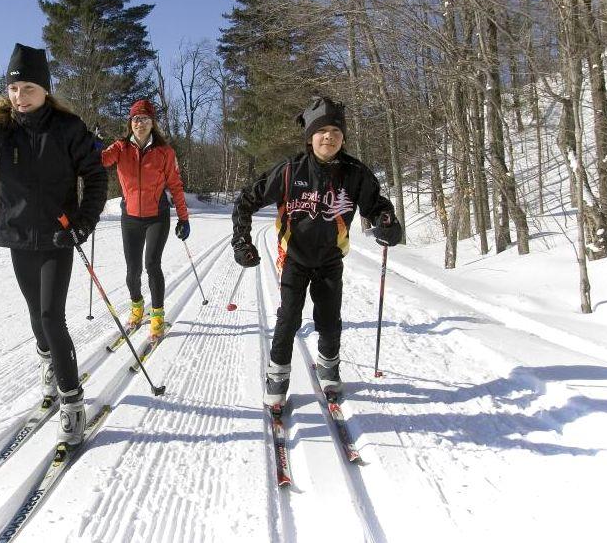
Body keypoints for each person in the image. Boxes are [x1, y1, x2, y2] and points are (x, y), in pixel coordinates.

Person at [0, 43, 107, 446]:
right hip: (18, 235)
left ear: (45, 89)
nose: (20, 96)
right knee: (36, 316)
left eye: (28, 88)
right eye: (14, 89)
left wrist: (82, 224)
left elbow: (96, 178)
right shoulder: (0, 128)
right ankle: (49, 362)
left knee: (51, 317)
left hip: (58, 235)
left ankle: (72, 401)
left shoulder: (68, 128)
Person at [230, 95, 402, 408]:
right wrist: (241, 240)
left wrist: (387, 223)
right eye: (321, 131)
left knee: (329, 319)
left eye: (336, 131)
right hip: (294, 257)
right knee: (288, 318)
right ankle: (277, 376)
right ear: (310, 137)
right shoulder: (289, 170)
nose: (329, 137)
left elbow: (377, 206)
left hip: (331, 258)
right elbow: (246, 200)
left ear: (343, 138)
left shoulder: (355, 173)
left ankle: (328, 367)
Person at [101, 99, 190, 343]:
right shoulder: (120, 147)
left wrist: (183, 218)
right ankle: (137, 307)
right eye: (136, 119)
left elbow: (175, 185)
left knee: (152, 264)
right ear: (130, 122)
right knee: (133, 270)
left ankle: (157, 316)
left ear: (153, 123)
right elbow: (100, 161)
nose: (140, 123)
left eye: (145, 119)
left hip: (156, 217)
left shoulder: (164, 152)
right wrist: (93, 145)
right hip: (130, 217)